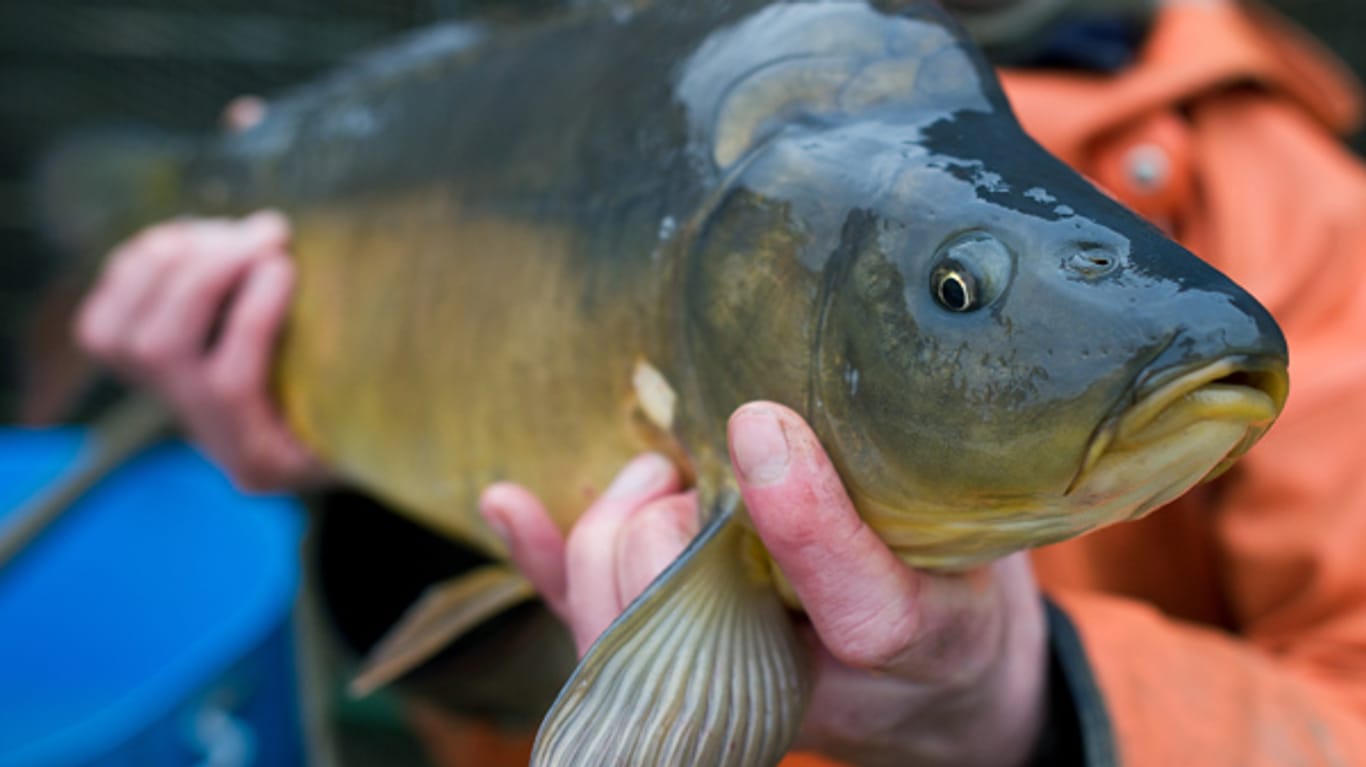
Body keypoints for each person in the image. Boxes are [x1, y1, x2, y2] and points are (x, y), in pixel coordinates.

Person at [68, 0, 1366, 764]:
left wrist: (1023, 700)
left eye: (954, 292)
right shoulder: (584, 83)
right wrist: (351, 498)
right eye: (959, 291)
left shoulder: (1287, 198)